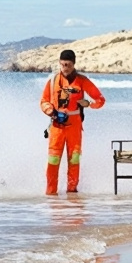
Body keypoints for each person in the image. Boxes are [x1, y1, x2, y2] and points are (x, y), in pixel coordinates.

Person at [40, 49, 105, 195]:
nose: (65, 68)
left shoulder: (82, 81)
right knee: (53, 160)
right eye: (62, 64)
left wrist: (88, 104)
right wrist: (50, 110)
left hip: (74, 128)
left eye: (68, 65)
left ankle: (72, 196)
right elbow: (43, 100)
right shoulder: (52, 81)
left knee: (74, 160)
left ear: (74, 64)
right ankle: (51, 195)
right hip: (57, 127)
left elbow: (100, 100)